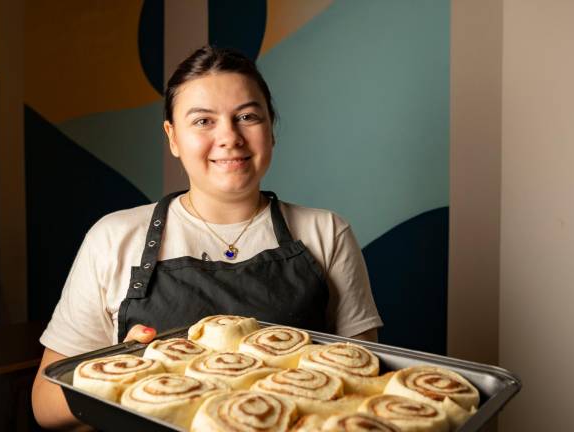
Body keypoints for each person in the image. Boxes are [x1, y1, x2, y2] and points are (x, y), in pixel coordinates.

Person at [31, 46, 383, 429]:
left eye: (247, 116)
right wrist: (126, 370)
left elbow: (365, 386)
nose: (229, 137)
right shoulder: (114, 238)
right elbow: (46, 405)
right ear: (173, 137)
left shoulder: (327, 233)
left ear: (270, 129)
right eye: (203, 121)